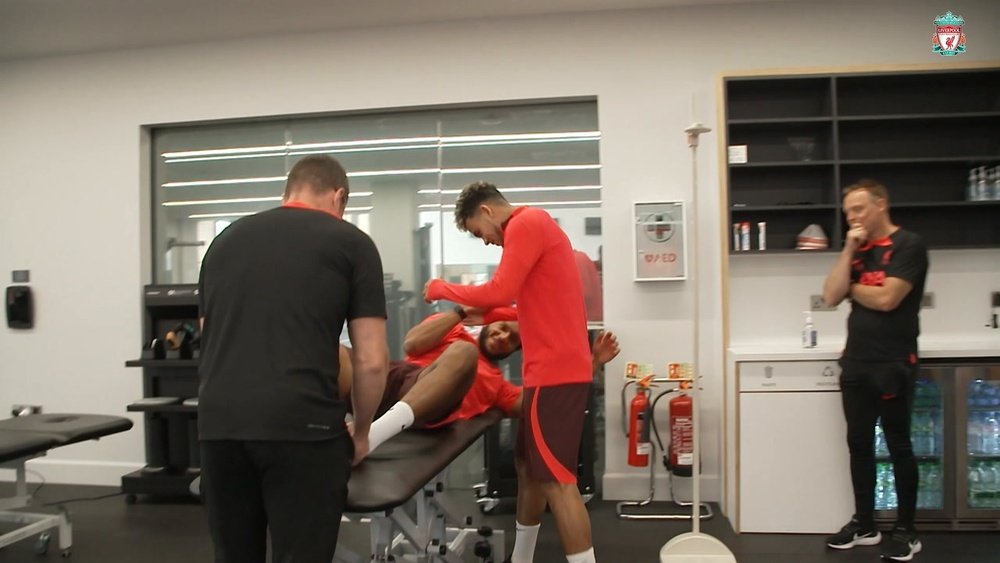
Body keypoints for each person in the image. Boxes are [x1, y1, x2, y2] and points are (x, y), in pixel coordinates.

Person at [197, 155, 388, 563]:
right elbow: (372, 361)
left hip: (219, 425)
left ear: (289, 190)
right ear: (338, 196)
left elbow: (206, 335)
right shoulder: (351, 243)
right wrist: (362, 432)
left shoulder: (224, 240)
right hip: (303, 427)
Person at [423, 182, 597, 563]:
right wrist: (484, 313)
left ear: (487, 211)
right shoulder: (537, 227)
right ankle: (521, 557)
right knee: (527, 469)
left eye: (476, 231)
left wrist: (442, 288)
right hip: (551, 371)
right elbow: (524, 308)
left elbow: (499, 291)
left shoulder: (525, 223)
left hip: (554, 373)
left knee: (557, 482)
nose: (484, 242)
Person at [337, 306, 620, 452]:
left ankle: (370, 435)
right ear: (489, 323)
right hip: (394, 378)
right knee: (332, 352)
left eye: (511, 340)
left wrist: (591, 364)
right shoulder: (451, 330)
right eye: (501, 328)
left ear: (512, 352)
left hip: (431, 406)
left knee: (464, 354)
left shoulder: (496, 384)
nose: (502, 337)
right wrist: (460, 312)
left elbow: (539, 407)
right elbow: (412, 344)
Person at [822, 179, 929, 562]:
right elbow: (830, 295)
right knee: (859, 446)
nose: (853, 216)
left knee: (899, 445)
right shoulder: (858, 250)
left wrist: (854, 288)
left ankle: (906, 531)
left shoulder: (909, 246)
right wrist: (850, 248)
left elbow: (887, 299)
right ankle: (864, 524)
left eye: (859, 208)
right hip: (856, 363)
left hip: (894, 364)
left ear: (881, 205)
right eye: (848, 210)